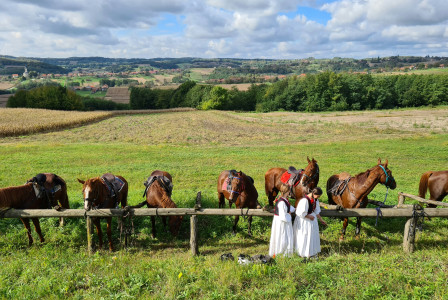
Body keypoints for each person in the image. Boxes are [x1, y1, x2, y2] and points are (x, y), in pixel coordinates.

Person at [293, 187, 327, 261]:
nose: (318, 198)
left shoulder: (315, 200)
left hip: (311, 220)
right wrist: (308, 216)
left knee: (311, 236)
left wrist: (321, 219)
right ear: (313, 193)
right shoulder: (304, 200)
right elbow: (300, 213)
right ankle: (302, 252)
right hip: (304, 221)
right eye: (317, 196)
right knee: (304, 236)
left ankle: (311, 252)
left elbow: (316, 211)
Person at [269, 183, 295, 257]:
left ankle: (285, 253)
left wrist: (295, 209)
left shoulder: (284, 200)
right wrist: (289, 214)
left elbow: (290, 208)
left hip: (283, 221)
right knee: (282, 236)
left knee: (284, 236)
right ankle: (281, 253)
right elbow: (283, 216)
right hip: (281, 222)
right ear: (288, 191)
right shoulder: (282, 202)